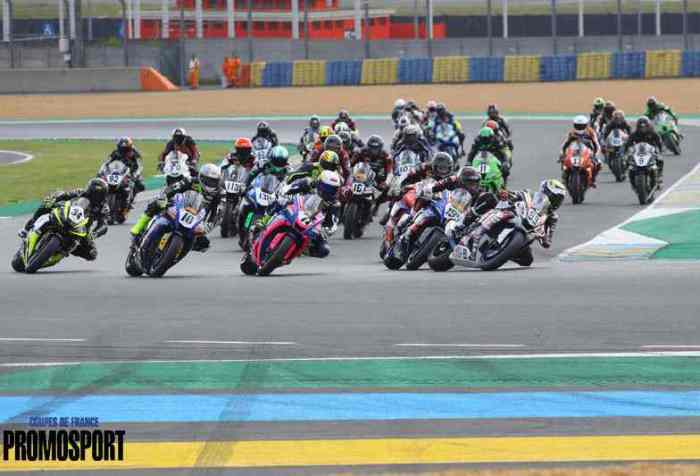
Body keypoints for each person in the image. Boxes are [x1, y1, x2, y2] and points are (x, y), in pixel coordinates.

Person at [20, 178, 109, 261]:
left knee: (92, 254)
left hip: (82, 228)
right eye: (92, 192)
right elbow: (64, 195)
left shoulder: (103, 207)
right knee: (46, 205)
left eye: (97, 194)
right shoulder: (80, 192)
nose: (94, 196)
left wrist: (94, 234)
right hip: (66, 215)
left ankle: (67, 249)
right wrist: (55, 199)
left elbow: (103, 225)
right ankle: (27, 227)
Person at [560, 115, 602, 186]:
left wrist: (595, 154)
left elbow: (596, 144)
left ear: (586, 125)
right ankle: (564, 178)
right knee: (564, 161)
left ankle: (593, 179)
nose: (579, 127)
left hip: (587, 152)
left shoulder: (590, 132)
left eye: (582, 126)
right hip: (574, 151)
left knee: (598, 164)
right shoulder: (571, 133)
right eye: (578, 125)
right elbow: (564, 144)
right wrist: (562, 153)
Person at [624, 116, 665, 185]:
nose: (643, 128)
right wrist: (627, 150)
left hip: (651, 151)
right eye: (641, 127)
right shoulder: (634, 134)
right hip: (637, 152)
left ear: (648, 126)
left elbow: (659, 142)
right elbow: (628, 143)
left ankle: (659, 175)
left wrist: (660, 150)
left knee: (660, 159)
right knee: (628, 160)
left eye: (644, 127)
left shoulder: (653, 133)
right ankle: (628, 174)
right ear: (638, 127)